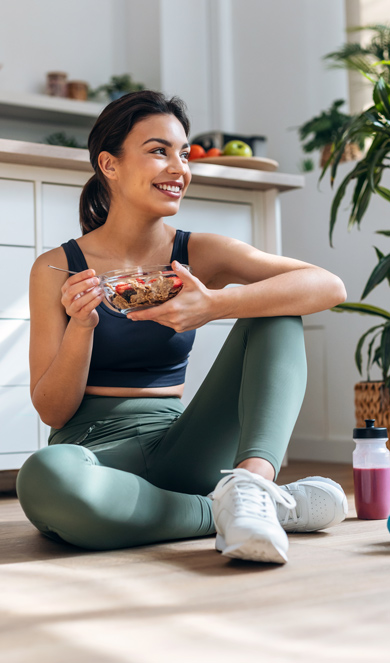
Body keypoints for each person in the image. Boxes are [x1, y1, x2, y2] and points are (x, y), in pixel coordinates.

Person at [16, 90, 348, 564]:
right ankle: (243, 510)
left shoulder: (199, 253)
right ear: (109, 165)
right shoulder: (57, 268)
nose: (179, 168)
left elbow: (328, 285)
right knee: (45, 476)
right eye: (158, 151)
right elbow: (53, 411)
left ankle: (253, 484)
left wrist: (214, 304)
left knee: (276, 306)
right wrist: (81, 327)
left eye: (184, 154)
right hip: (94, 454)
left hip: (184, 445)